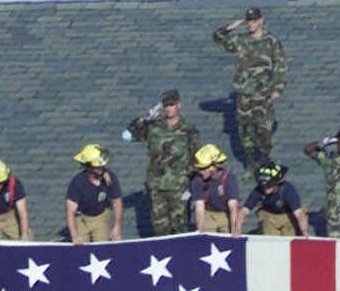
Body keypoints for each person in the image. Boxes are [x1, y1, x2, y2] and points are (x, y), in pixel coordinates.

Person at [212, 6, 287, 170]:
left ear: (261, 21)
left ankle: (264, 158)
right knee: (245, 131)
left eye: (254, 21)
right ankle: (250, 162)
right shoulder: (241, 40)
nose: (250, 24)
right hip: (244, 94)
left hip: (263, 94)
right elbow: (218, 38)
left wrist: (278, 89)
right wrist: (229, 27)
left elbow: (280, 66)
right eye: (248, 21)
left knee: (264, 130)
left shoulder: (271, 42)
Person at [127, 89, 200, 237]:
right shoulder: (154, 127)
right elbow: (128, 135)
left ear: (179, 105)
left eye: (172, 105)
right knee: (160, 228)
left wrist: (190, 181)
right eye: (166, 105)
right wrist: (145, 117)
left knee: (180, 228)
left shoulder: (188, 130)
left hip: (179, 186)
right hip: (157, 186)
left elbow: (196, 157)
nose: (168, 109)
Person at [65, 145, 123, 244]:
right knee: (81, 249)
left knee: (102, 248)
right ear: (89, 167)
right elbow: (70, 211)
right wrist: (74, 235)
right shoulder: (78, 183)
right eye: (97, 166)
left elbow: (117, 202)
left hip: (100, 217)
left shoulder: (110, 178)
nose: (101, 169)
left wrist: (117, 227)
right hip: (81, 219)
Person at [239, 161, 308, 236]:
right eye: (263, 187)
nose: (265, 189)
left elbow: (299, 213)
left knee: (288, 238)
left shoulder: (287, 190)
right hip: (269, 217)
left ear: (276, 184)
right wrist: (237, 229)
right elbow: (244, 211)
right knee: (270, 241)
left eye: (269, 186)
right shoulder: (258, 190)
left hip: (288, 217)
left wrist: (304, 233)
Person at [190, 144, 240, 234]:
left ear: (214, 166)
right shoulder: (197, 180)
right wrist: (199, 232)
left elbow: (233, 207)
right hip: (208, 214)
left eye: (203, 168)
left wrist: (234, 230)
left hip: (225, 214)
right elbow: (199, 208)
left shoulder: (228, 178)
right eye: (199, 169)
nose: (200, 172)